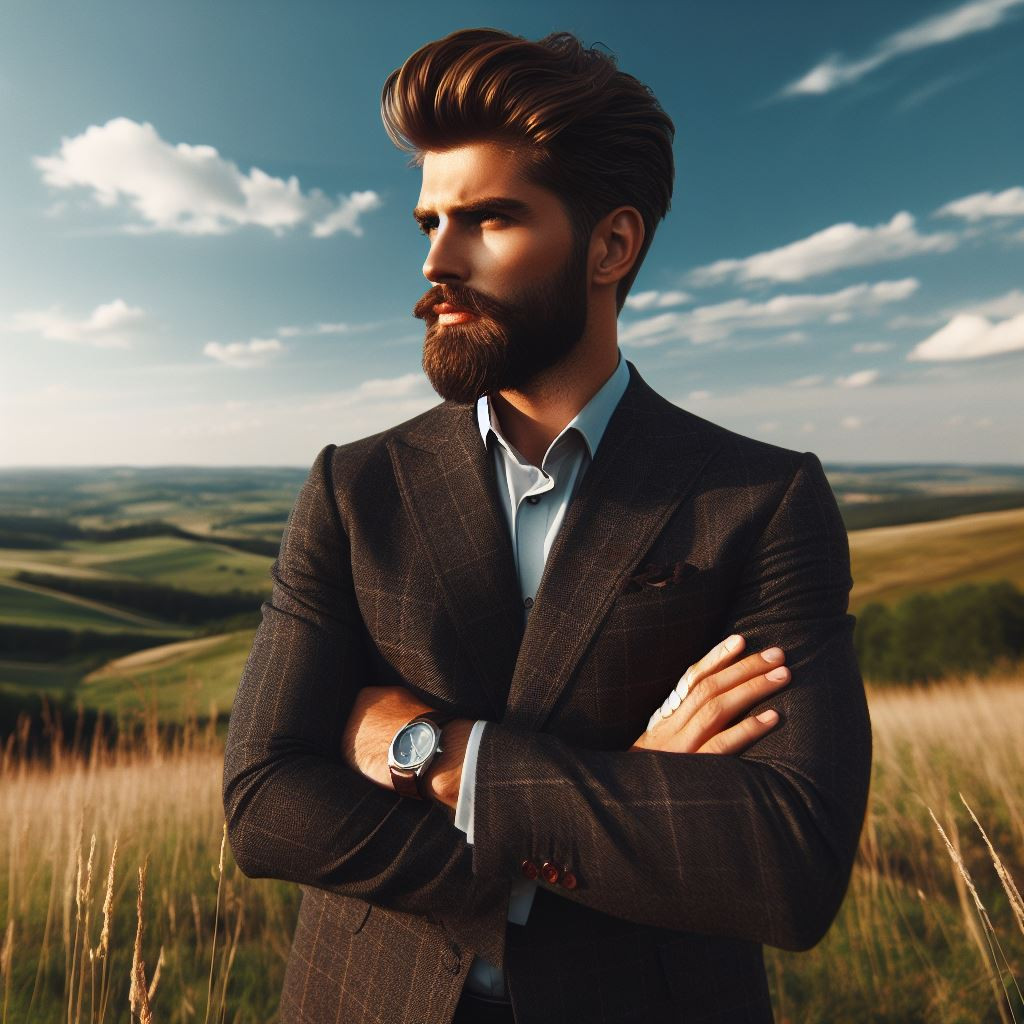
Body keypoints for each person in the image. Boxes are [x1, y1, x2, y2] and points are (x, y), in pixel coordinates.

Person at [223, 28, 872, 1024]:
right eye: (431, 220)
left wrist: (435, 754)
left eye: (488, 219)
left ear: (610, 245)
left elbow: (788, 861)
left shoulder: (761, 500)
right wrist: (606, 811)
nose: (438, 259)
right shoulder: (353, 489)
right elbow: (265, 802)